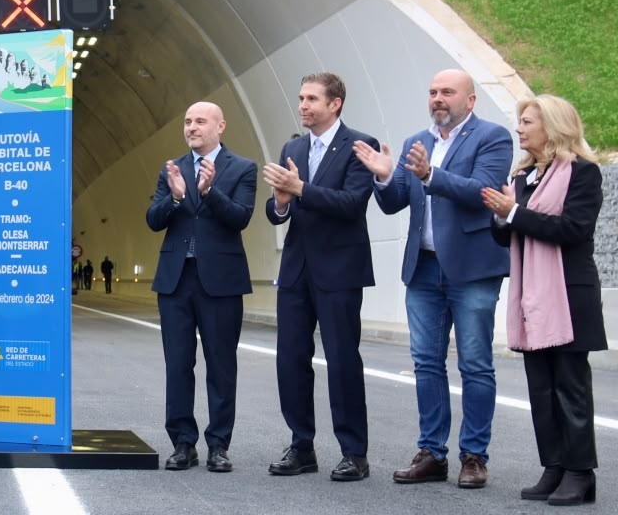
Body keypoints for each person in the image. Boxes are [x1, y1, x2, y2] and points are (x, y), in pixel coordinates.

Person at [352, 69, 512, 488]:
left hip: (473, 268)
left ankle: (474, 456)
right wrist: (386, 176)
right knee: (426, 363)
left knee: (475, 364)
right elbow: (393, 204)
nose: (438, 99)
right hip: (423, 268)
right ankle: (432, 453)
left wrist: (429, 176)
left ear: (470, 101)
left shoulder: (492, 137)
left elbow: (482, 192)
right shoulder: (414, 143)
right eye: (433, 92)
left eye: (447, 92)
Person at [484, 95, 605, 506]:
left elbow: (572, 229)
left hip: (568, 296)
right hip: (532, 295)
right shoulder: (524, 176)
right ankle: (553, 466)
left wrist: (513, 212)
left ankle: (579, 473)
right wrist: (501, 215)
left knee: (571, 387)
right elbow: (507, 235)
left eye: (527, 122)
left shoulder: (583, 173)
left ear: (552, 127)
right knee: (542, 388)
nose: (519, 129)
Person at [263, 73, 377, 481]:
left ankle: (354, 452)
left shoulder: (361, 146)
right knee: (290, 359)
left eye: (312, 98)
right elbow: (281, 209)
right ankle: (301, 445)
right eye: (300, 98)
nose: (303, 105)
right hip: (296, 270)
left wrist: (301, 188)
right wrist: (280, 203)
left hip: (340, 270)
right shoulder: (293, 146)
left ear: (336, 103)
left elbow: (351, 204)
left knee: (343, 360)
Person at [146, 101, 256, 472]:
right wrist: (176, 196)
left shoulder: (242, 168)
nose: (192, 127)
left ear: (220, 126)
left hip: (221, 282)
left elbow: (240, 218)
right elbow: (152, 219)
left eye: (200, 121)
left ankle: (219, 444)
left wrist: (210, 192)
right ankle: (182, 442)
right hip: (176, 281)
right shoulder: (171, 169)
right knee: (178, 364)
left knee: (221, 366)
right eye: (187, 121)